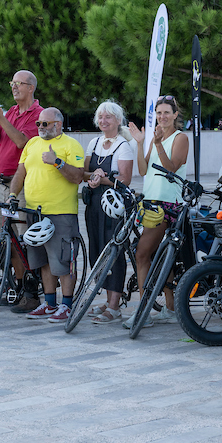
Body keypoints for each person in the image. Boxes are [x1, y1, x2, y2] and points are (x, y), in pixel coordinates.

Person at [13, 108, 85, 323]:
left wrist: (57, 162)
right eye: (39, 124)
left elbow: (78, 177)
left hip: (61, 212)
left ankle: (67, 305)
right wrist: (12, 194)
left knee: (64, 260)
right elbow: (20, 172)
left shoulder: (71, 145)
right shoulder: (32, 143)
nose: (41, 128)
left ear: (58, 124)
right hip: (35, 212)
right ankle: (50, 303)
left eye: (46, 124)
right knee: (43, 261)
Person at [126, 95, 190, 329]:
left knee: (143, 254)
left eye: (166, 113)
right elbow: (143, 170)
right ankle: (170, 309)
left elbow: (172, 167)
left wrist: (159, 143)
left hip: (168, 204)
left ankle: (143, 311)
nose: (162, 117)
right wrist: (142, 143)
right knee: (163, 257)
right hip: (151, 202)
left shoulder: (180, 137)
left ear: (175, 115)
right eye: (158, 113)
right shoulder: (154, 138)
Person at [0, 70, 43, 314]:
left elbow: (22, 142)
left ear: (31, 87)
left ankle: (31, 291)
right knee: (6, 238)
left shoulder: (38, 114)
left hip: (21, 184)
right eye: (12, 83)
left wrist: (3, 120)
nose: (14, 87)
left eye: (18, 84)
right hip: (2, 183)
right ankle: (16, 287)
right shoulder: (10, 112)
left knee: (23, 238)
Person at [81, 100, 135, 324]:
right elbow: (84, 172)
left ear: (118, 120)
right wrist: (93, 177)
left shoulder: (123, 145)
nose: (103, 121)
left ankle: (114, 306)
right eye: (100, 117)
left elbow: (125, 178)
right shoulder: (93, 142)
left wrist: (103, 178)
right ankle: (106, 298)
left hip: (114, 206)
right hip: (94, 203)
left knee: (114, 252)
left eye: (108, 117)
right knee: (98, 249)